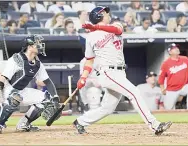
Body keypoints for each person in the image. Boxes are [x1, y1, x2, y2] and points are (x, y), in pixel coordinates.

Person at [73, 6, 172, 135]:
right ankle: (155, 125)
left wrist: (96, 27)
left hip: (119, 72)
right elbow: (89, 60)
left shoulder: (115, 25)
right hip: (107, 72)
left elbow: (118, 29)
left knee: (107, 108)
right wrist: (83, 77)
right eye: (104, 12)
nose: (107, 13)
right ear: (98, 16)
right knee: (134, 92)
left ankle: (81, 121)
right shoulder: (91, 37)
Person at [0, 35, 61, 134]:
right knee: (15, 98)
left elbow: (47, 81)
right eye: (37, 43)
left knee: (47, 99)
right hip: (7, 90)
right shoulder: (16, 60)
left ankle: (23, 124)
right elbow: (2, 78)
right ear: (30, 46)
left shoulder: (38, 64)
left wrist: (55, 98)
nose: (40, 45)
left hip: (22, 90)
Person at [158, 43, 188, 110]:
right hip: (172, 89)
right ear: (170, 52)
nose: (177, 49)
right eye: (174, 48)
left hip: (183, 87)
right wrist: (162, 88)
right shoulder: (166, 63)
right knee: (169, 109)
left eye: (177, 48)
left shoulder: (185, 59)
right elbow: (161, 77)